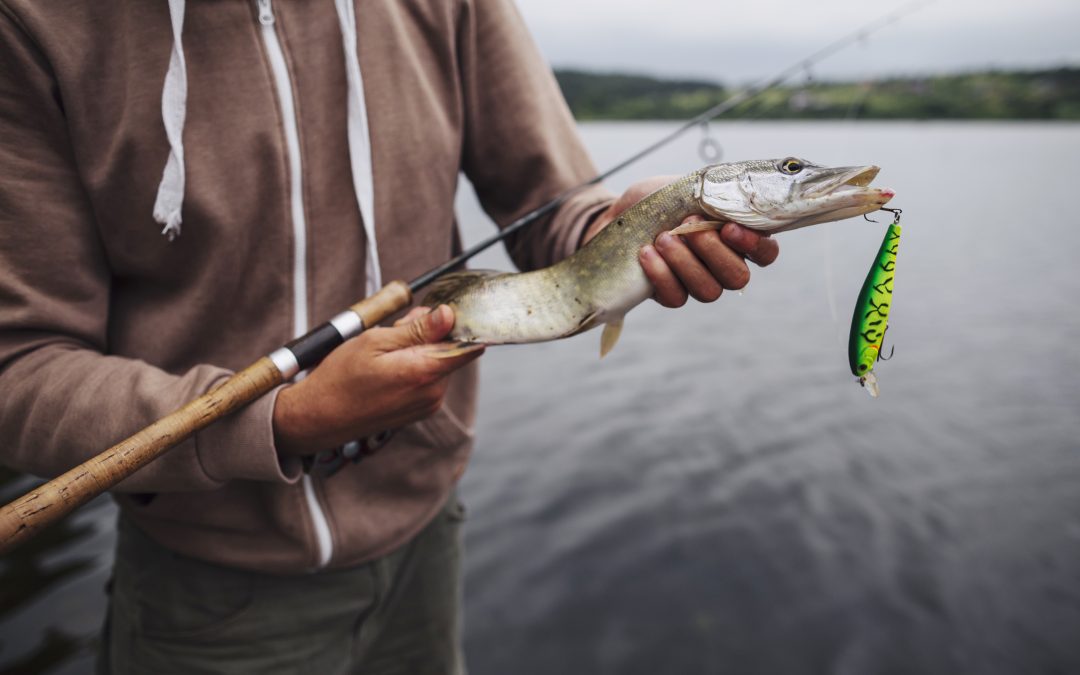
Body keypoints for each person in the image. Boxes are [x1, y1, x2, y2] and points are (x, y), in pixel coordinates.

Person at [0, 0, 778, 672]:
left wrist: (617, 232)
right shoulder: (35, 23)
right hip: (206, 588)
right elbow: (21, 369)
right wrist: (284, 419)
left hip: (428, 543)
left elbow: (557, 202)